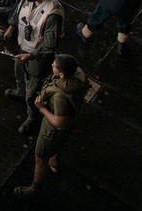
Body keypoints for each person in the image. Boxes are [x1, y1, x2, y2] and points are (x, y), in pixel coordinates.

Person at [13, 54, 88, 200]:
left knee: (40, 157)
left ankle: (35, 189)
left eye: (54, 66)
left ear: (61, 74)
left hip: (52, 130)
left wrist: (41, 108)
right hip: (71, 120)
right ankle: (55, 159)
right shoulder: (79, 76)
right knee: (61, 142)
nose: (52, 65)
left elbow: (60, 125)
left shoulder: (60, 97)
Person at [1, 0, 64, 133]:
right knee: (19, 73)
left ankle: (32, 116)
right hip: (23, 47)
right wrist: (10, 29)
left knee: (33, 89)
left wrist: (31, 56)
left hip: (39, 56)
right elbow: (17, 14)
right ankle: (20, 92)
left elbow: (50, 44)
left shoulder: (52, 13)